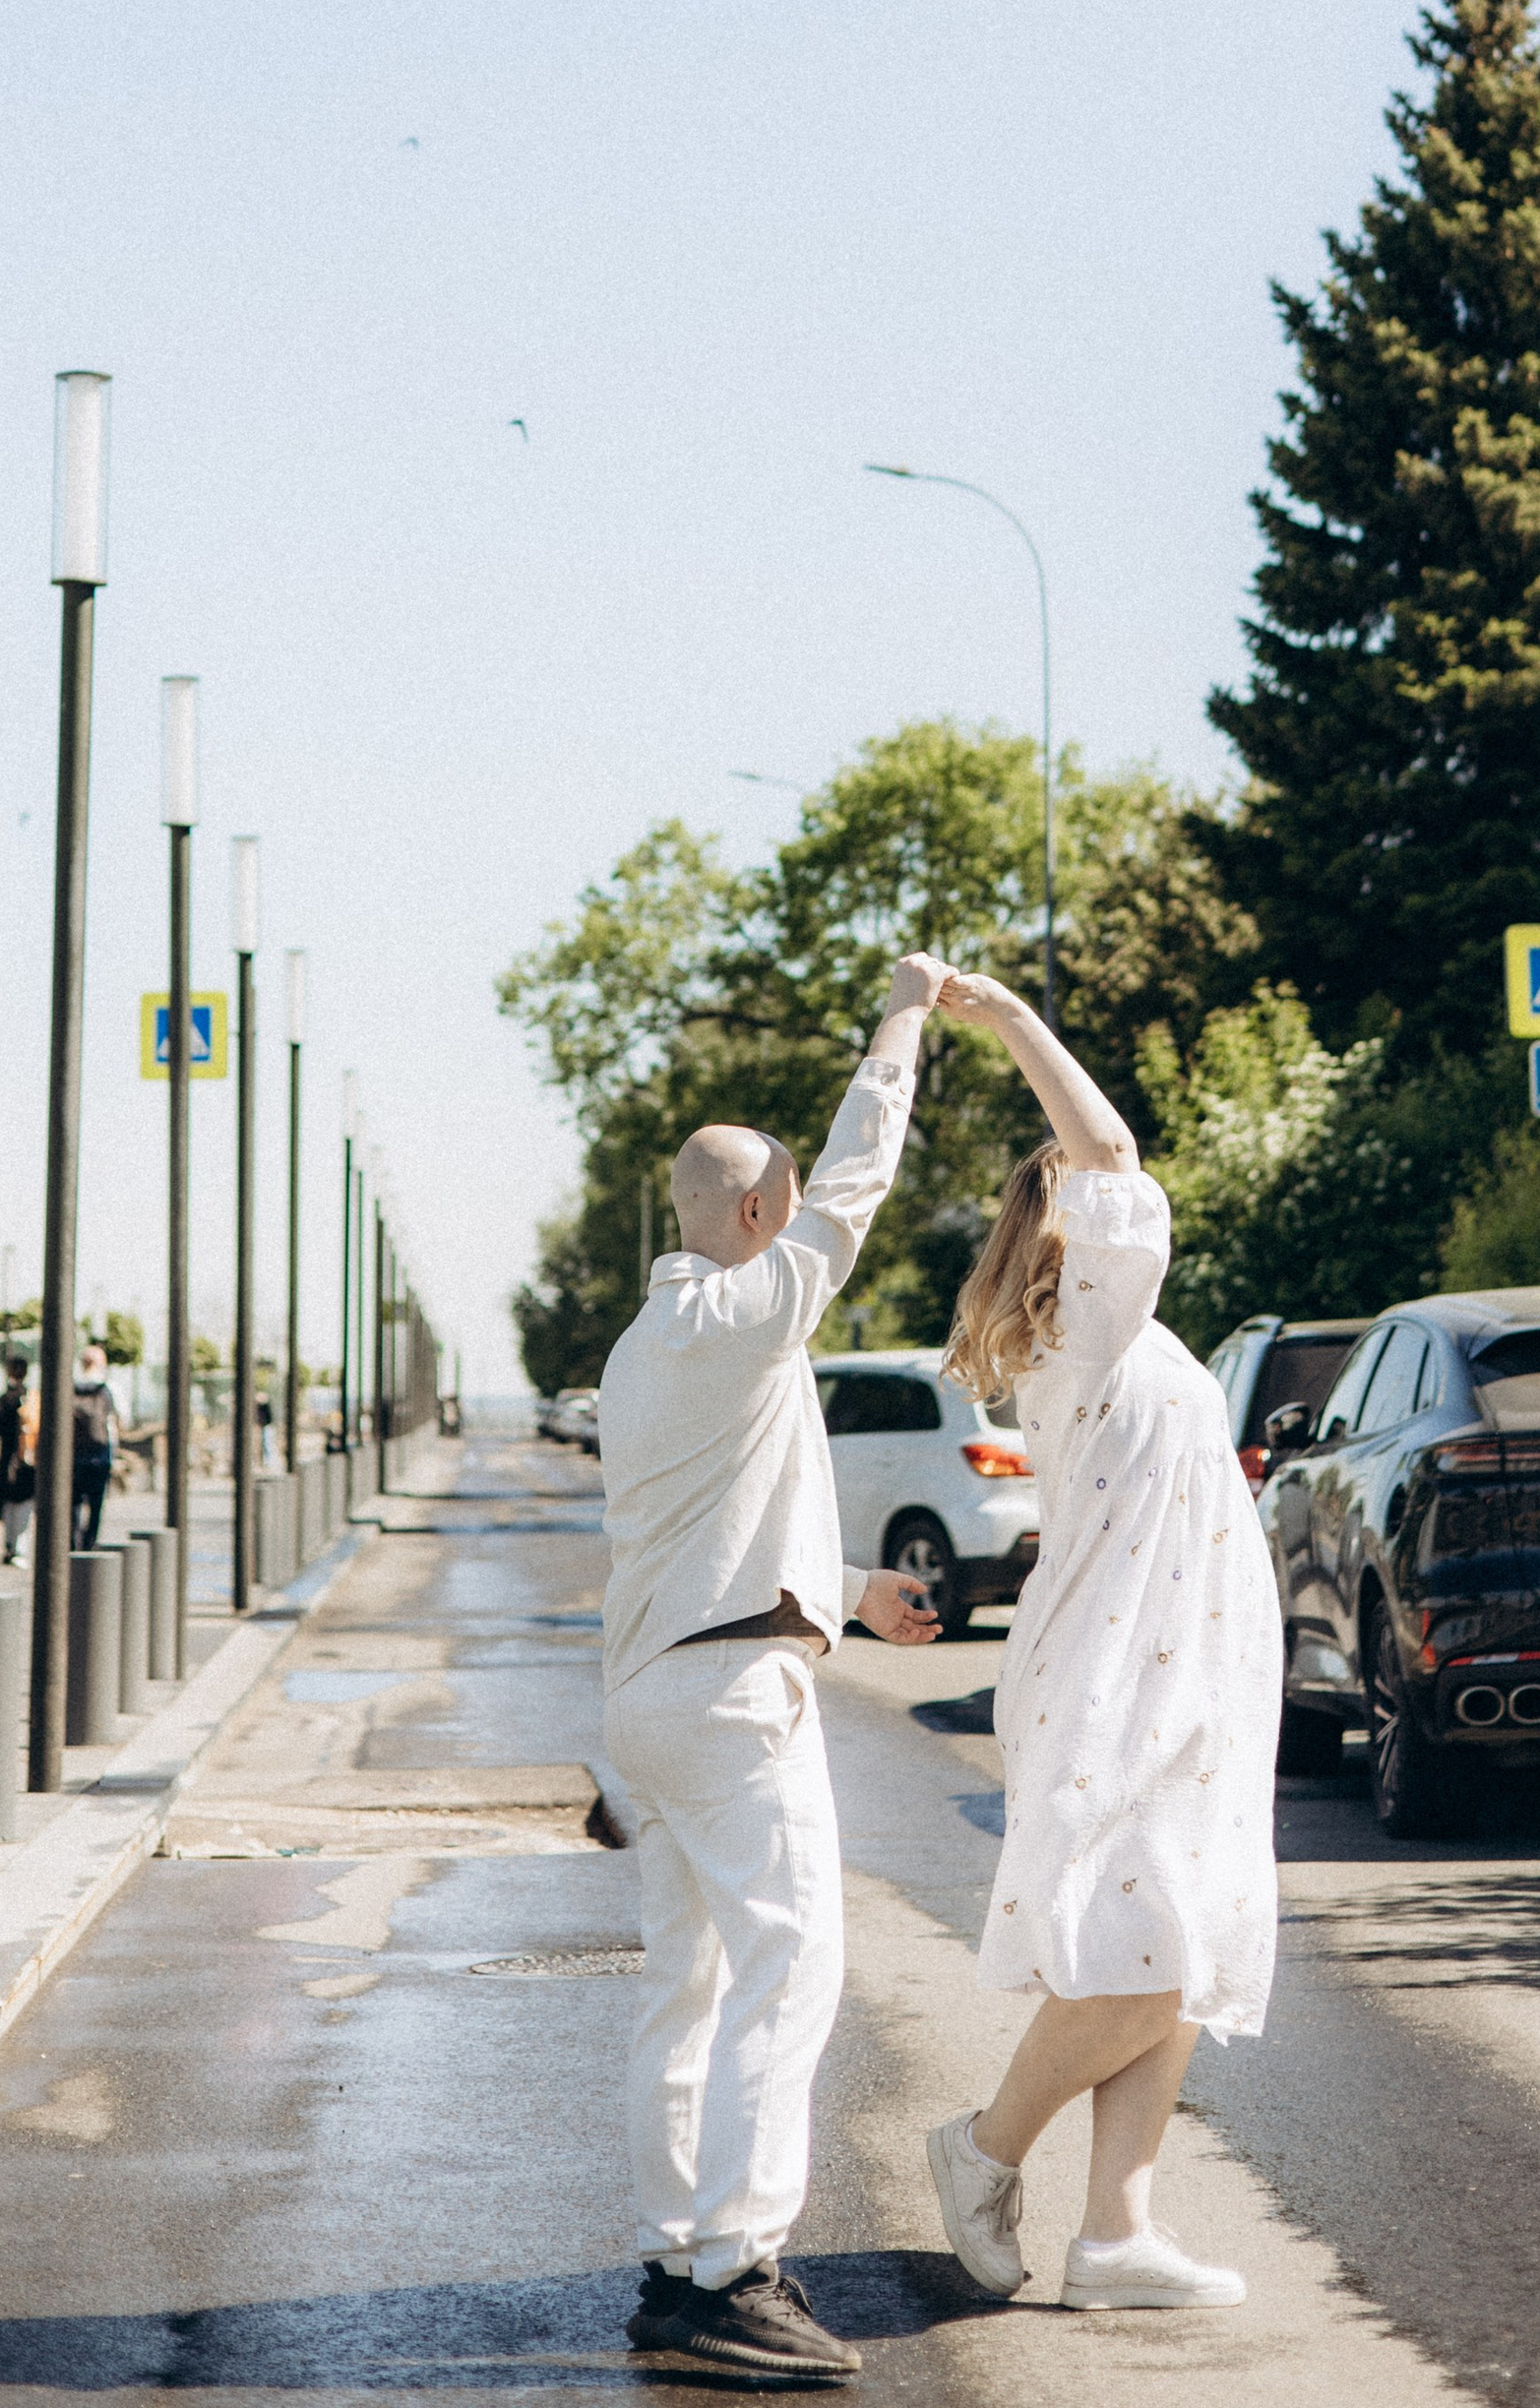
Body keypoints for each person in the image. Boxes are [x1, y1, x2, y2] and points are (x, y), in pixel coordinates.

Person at [599, 954, 952, 2389]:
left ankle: (679, 2265)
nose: (807, 1228)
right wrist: (906, 1015)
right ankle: (736, 2270)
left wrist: (853, 1591)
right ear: (756, 1216)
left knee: (687, 1983)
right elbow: (861, 1184)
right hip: (730, 1702)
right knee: (791, 1962)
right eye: (787, 1213)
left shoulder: (657, 1344)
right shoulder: (739, 1312)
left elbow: (720, 1523)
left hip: (670, 1686)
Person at [921, 971, 1281, 2315]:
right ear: (1072, 1219)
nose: (1121, 1192)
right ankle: (981, 2148)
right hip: (1129, 1685)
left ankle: (1118, 2232)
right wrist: (1014, 1019)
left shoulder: (1111, 1336)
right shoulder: (1094, 1326)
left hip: (1175, 1679)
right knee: (1159, 1956)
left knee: (1172, 1952)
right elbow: (1117, 1152)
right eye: (1090, 1186)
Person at [0, 1352, 35, 1566]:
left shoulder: (5, 1398)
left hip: (7, 1457)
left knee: (8, 1503)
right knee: (24, 1504)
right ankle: (20, 1548)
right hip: (28, 1458)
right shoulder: (32, 1398)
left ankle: (8, 1545)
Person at [72, 1344, 117, 1547]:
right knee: (96, 1503)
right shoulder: (109, 1388)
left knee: (73, 1501)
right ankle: (90, 1542)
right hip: (101, 1454)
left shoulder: (72, 1386)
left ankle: (73, 1540)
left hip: (74, 1454)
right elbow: (118, 1419)